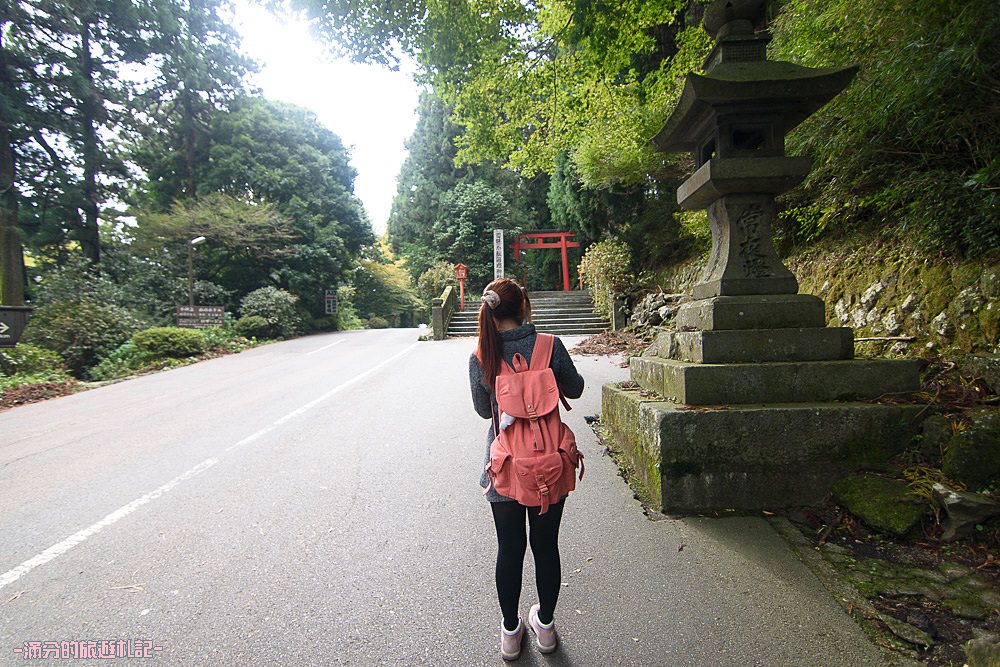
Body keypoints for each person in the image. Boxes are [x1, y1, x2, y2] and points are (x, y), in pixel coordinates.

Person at [468, 278, 585, 661]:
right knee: (546, 545)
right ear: (525, 306)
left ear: (490, 311)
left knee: (510, 548)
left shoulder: (481, 354)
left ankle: (510, 632)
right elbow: (577, 388)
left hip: (505, 465)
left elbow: (486, 411)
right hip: (550, 463)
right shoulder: (550, 346)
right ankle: (546, 629)